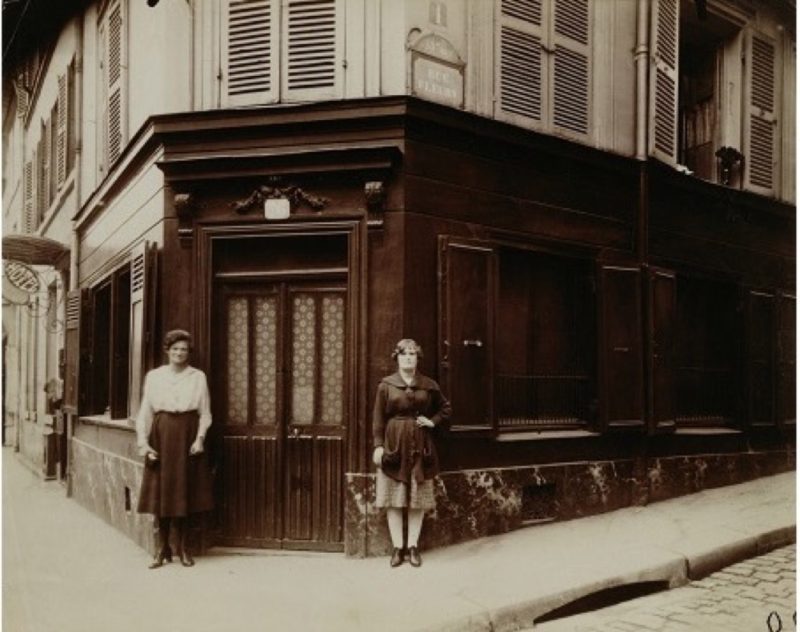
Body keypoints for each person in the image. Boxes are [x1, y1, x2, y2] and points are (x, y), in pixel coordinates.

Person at [136, 329, 214, 569]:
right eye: (175, 349)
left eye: (184, 349)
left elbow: (205, 412)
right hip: (162, 433)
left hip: (188, 434)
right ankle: (162, 550)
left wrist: (200, 438)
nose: (180, 353)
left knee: (185, 492)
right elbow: (146, 411)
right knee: (162, 492)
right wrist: (144, 443)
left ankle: (183, 548)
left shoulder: (197, 376)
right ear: (167, 351)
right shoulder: (155, 376)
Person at [372, 338, 451, 568]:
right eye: (404, 353)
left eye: (413, 353)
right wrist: (378, 446)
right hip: (393, 444)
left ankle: (413, 547)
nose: (409, 357)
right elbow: (378, 419)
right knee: (394, 499)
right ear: (397, 357)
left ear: (418, 357)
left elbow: (445, 409)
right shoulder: (386, 385)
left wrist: (432, 421)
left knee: (417, 499)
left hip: (420, 446)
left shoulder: (429, 385)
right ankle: (398, 548)